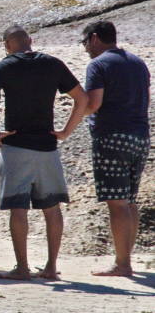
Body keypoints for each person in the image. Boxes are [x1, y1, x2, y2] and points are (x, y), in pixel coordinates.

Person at [0, 25, 87, 280]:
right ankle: (50, 268)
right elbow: (81, 99)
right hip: (47, 147)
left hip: (15, 147)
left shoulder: (5, 66)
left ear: (7, 46)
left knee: (18, 208)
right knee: (52, 208)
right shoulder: (53, 64)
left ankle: (23, 268)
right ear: (31, 40)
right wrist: (65, 131)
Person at [81, 21, 150, 277]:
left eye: (85, 41)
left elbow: (94, 103)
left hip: (112, 137)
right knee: (130, 201)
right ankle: (126, 259)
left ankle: (122, 264)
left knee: (117, 204)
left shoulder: (98, 64)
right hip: (140, 136)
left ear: (95, 38)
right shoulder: (137, 63)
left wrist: (78, 111)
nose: (86, 47)